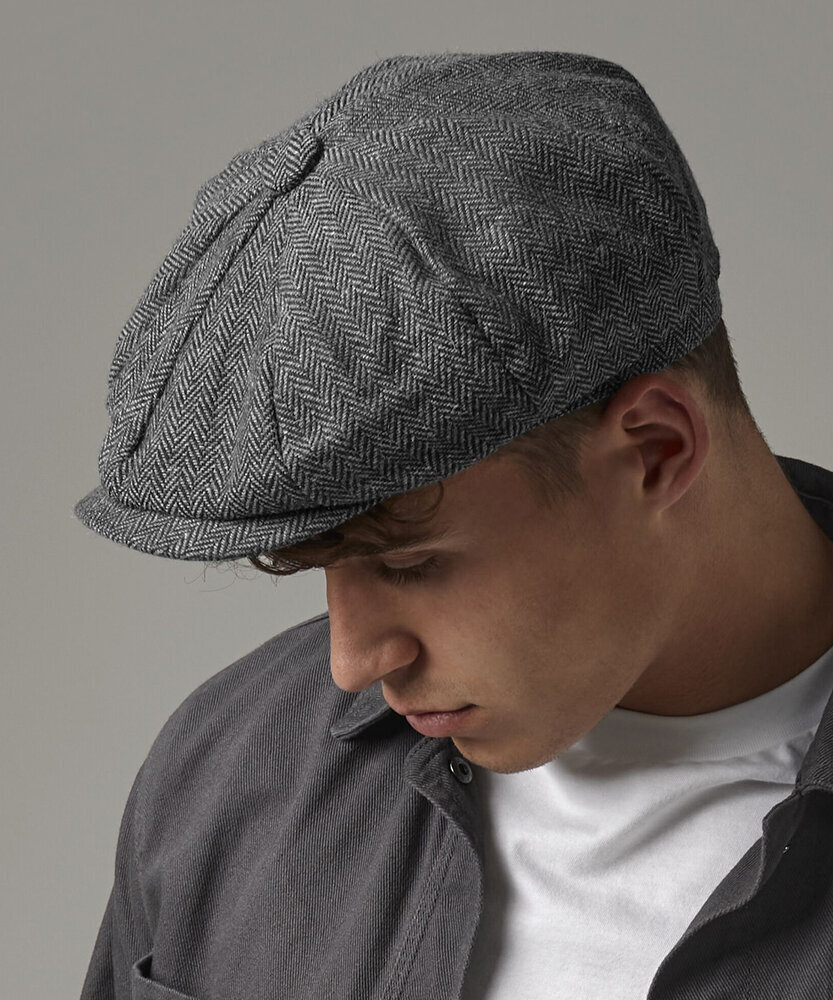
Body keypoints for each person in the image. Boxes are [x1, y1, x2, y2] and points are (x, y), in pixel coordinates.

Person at [73, 51, 833, 1000]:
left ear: (654, 449)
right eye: (318, 564)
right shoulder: (230, 768)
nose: (353, 663)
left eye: (411, 564)